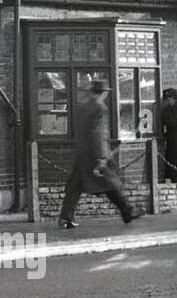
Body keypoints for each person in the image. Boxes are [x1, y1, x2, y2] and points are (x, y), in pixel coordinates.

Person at [59, 79, 145, 228]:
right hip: (94, 155)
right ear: (104, 93)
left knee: (74, 187)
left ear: (92, 92)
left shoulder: (83, 107)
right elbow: (97, 134)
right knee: (111, 182)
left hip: (82, 155)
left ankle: (65, 218)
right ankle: (128, 211)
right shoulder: (100, 108)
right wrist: (101, 158)